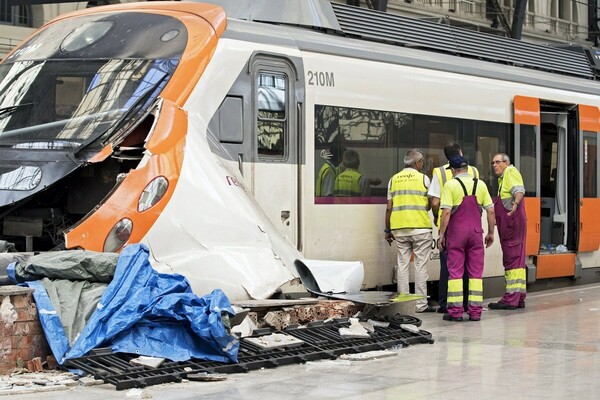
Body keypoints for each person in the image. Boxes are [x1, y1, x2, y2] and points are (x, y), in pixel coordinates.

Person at [438, 155, 495, 322]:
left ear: (454, 170)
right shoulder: (481, 184)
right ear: (467, 168)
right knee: (475, 273)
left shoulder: (451, 185)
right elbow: (490, 211)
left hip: (457, 234)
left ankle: (455, 312)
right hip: (476, 234)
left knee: (455, 273)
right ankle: (475, 312)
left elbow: (446, 212)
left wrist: (441, 235)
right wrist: (491, 232)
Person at [428, 142, 479, 314]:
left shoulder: (440, 172)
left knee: (449, 266)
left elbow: (435, 202)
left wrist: (438, 217)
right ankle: (467, 303)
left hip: (451, 226)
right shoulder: (474, 171)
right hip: (473, 224)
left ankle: (446, 303)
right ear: (461, 153)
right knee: (469, 266)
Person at [384, 149, 435, 313]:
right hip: (420, 228)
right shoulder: (424, 178)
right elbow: (430, 202)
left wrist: (387, 230)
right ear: (418, 163)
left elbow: (389, 208)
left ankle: (403, 304)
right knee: (420, 266)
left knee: (403, 265)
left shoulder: (393, 180)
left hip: (399, 229)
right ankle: (420, 305)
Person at [489, 153, 527, 310]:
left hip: (512, 224)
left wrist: (516, 203)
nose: (494, 165)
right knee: (517, 262)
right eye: (493, 163)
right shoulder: (502, 179)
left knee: (512, 260)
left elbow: (519, 190)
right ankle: (519, 297)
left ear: (506, 163)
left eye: (498, 162)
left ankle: (510, 299)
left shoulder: (510, 172)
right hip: (511, 225)